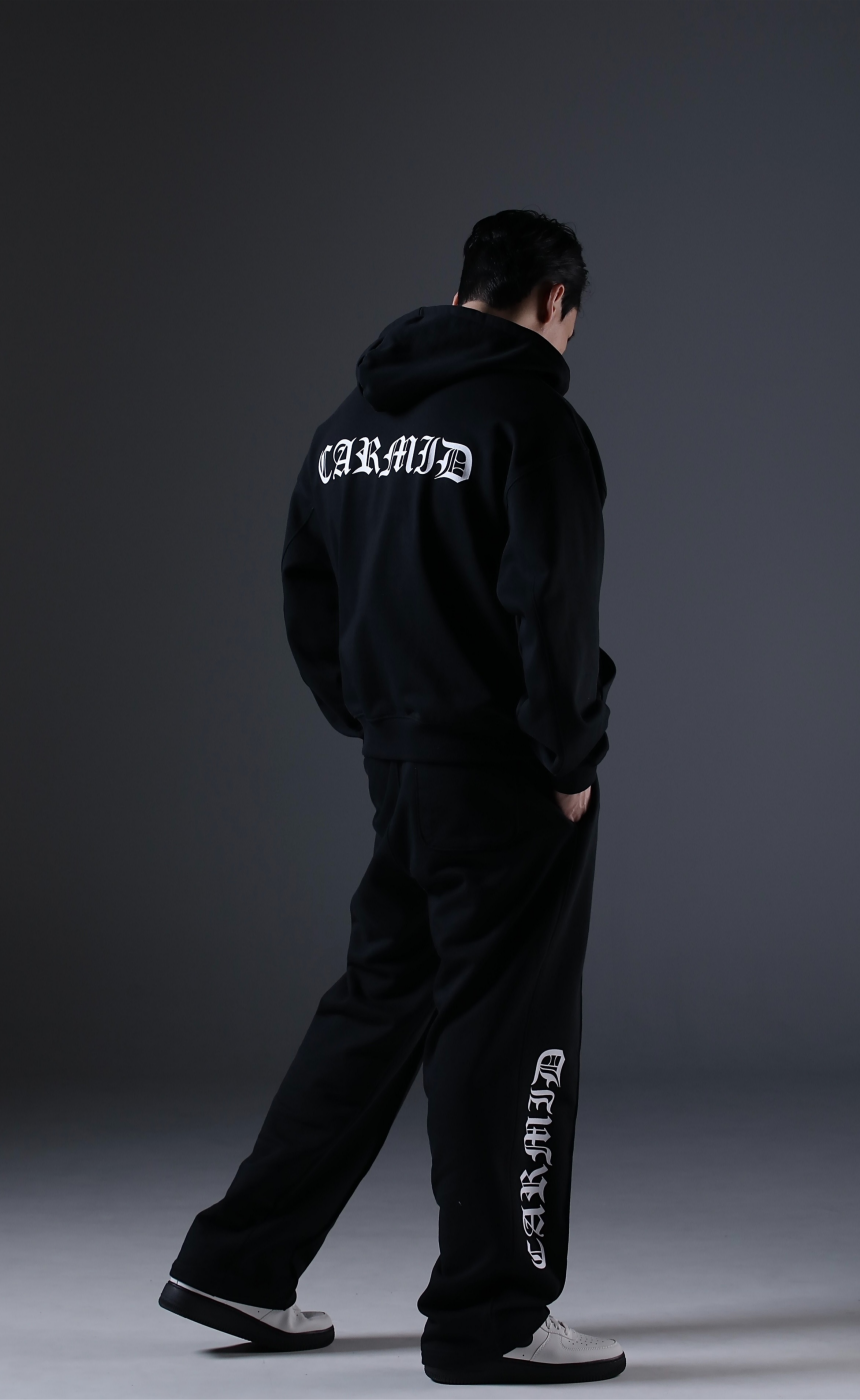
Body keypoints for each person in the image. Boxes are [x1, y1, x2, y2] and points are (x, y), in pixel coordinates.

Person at [159, 209, 623, 1386]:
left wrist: (374, 718)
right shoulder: (533, 422)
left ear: (466, 287)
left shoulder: (351, 424)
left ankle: (237, 1260)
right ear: (555, 302)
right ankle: (489, 1312)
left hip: (403, 766)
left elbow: (304, 583)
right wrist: (568, 760)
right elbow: (551, 610)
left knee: (381, 1001)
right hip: (507, 777)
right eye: (571, 317)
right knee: (506, 1026)